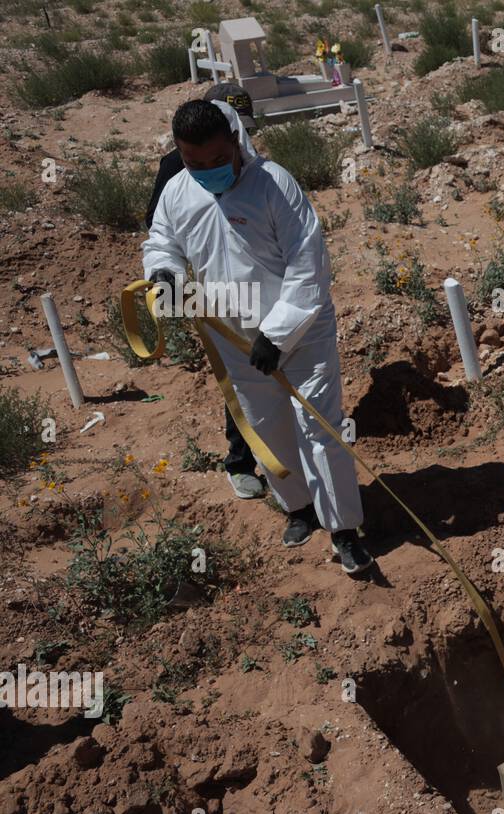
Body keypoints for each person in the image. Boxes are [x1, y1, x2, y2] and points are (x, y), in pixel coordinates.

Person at [142, 99, 372, 575]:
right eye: (193, 162)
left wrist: (279, 332)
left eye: (215, 160)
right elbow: (162, 240)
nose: (206, 170)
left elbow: (308, 266)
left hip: (301, 331)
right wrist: (163, 274)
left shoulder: (274, 185)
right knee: (263, 427)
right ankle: (300, 509)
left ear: (234, 142)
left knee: (320, 430)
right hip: (232, 332)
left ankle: (344, 529)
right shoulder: (178, 192)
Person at [146, 83, 265, 501]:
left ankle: (289, 459)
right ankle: (241, 461)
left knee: (279, 377)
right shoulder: (175, 171)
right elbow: (162, 235)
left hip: (267, 295)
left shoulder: (261, 169)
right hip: (216, 296)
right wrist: (166, 278)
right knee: (240, 381)